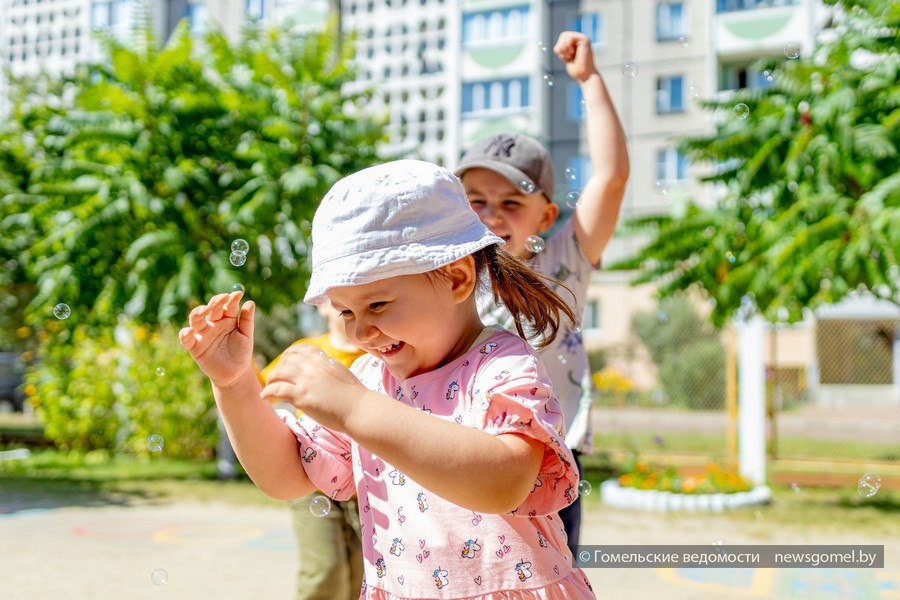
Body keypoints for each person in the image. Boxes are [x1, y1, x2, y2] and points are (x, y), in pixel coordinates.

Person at [179, 159, 596, 598]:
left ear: (456, 278)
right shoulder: (366, 378)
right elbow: (285, 476)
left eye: (377, 305)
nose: (360, 332)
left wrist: (356, 408)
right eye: (345, 311)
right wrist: (234, 384)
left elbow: (505, 483)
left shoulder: (500, 364)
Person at [454, 30, 630, 556]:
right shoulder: (451, 273)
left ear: (547, 215)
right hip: (464, 453)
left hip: (550, 461)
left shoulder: (564, 261)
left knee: (549, 579)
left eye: (511, 203)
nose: (492, 215)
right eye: (476, 200)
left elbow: (612, 176)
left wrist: (589, 80)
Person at [256, 302, 365, 600]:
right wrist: (241, 366)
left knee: (361, 580)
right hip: (314, 484)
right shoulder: (306, 353)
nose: (349, 308)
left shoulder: (379, 356)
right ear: (322, 308)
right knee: (325, 574)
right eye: (337, 302)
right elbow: (261, 392)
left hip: (366, 488)